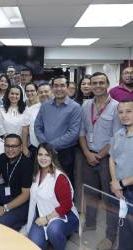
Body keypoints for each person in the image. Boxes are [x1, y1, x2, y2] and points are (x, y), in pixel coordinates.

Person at [79, 72, 121, 249]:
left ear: (107, 84)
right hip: (87, 156)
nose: (97, 85)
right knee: (90, 194)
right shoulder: (85, 105)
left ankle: (110, 236)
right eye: (94, 82)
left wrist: (99, 155)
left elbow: (116, 137)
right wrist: (88, 153)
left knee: (110, 199)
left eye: (101, 82)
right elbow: (81, 132)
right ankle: (90, 223)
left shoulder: (117, 107)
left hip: (107, 160)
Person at [27, 143, 79, 250]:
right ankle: (51, 242)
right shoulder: (37, 172)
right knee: (34, 243)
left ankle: (58, 242)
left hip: (66, 216)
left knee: (53, 230)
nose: (43, 158)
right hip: (43, 214)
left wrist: (46, 218)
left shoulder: (59, 177)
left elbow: (66, 205)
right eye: (40, 154)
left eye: (47, 155)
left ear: (52, 157)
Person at [35, 76, 82, 186]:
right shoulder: (45, 106)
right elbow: (37, 126)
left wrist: (50, 146)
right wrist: (46, 146)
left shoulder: (75, 107)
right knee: (45, 181)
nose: (59, 89)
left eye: (62, 85)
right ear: (52, 88)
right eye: (56, 86)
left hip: (65, 153)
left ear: (67, 87)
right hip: (45, 153)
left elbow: (73, 133)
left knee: (64, 182)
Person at [0, 134, 33, 230]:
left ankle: (6, 213)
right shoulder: (2, 157)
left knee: (1, 223)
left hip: (23, 201)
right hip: (8, 193)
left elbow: (26, 194)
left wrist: (5, 208)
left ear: (21, 147)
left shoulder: (26, 164)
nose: (10, 149)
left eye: (14, 146)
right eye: (7, 146)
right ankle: (1, 210)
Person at [109, 99, 133, 250]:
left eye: (129, 111)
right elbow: (112, 159)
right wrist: (114, 182)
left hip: (128, 187)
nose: (124, 115)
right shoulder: (118, 134)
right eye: (121, 112)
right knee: (124, 228)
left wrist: (122, 183)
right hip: (120, 190)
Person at [22, 83, 41, 158]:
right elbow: (25, 129)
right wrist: (24, 147)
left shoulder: (42, 105)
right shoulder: (26, 107)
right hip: (33, 146)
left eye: (32, 90)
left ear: (37, 92)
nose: (29, 93)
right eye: (27, 91)